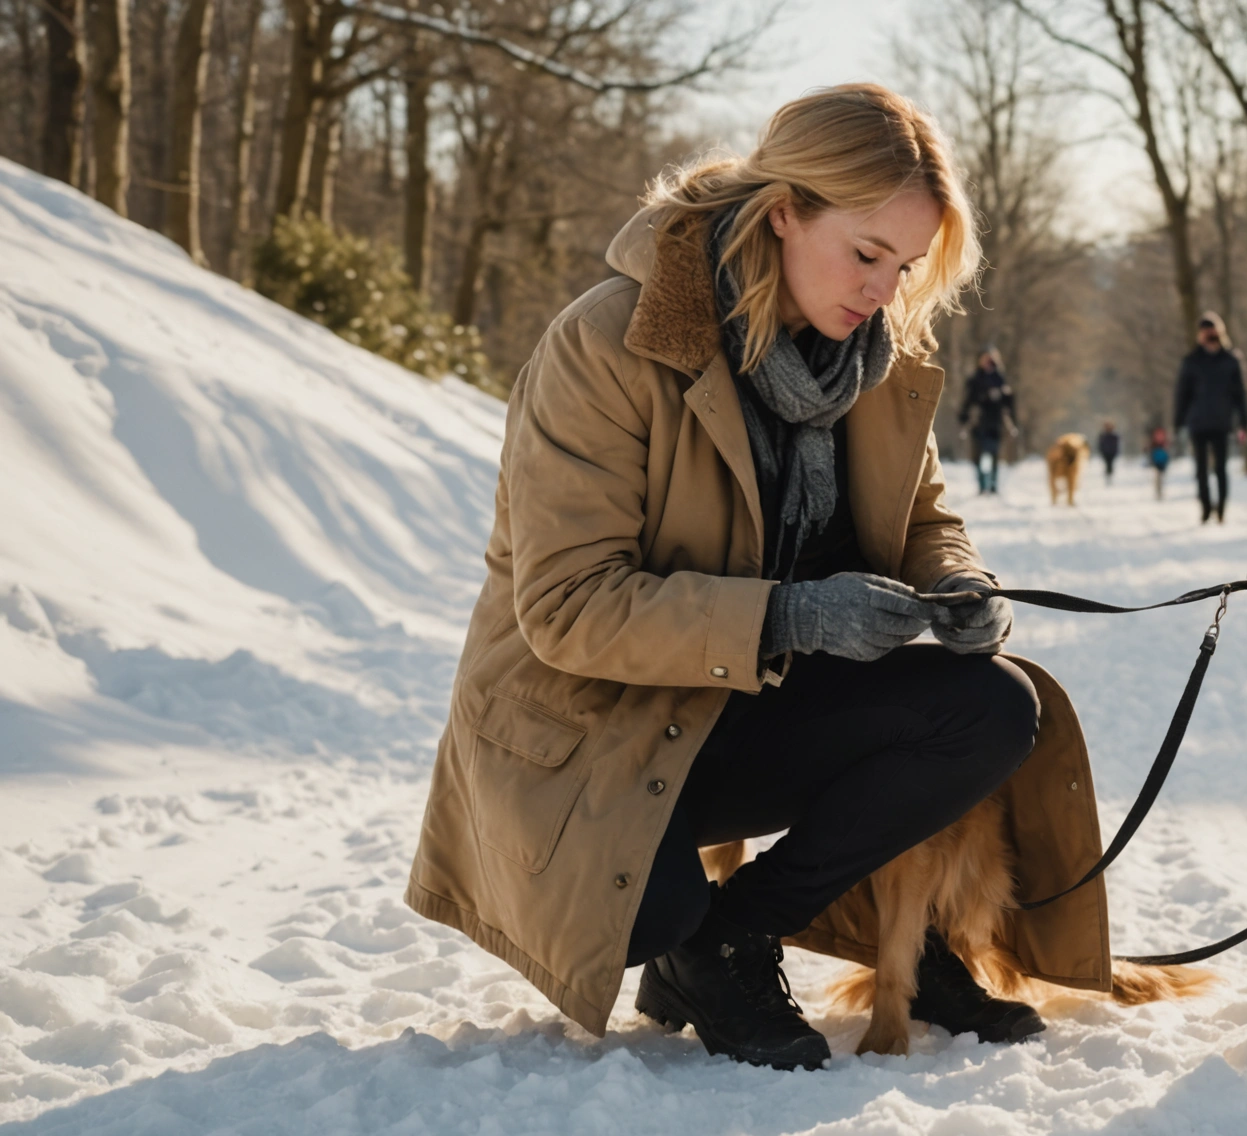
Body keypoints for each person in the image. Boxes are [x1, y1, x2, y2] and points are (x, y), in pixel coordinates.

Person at [403, 85, 1114, 1073]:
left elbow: (922, 519)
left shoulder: (881, 353)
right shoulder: (607, 344)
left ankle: (734, 937)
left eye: (905, 267)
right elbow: (567, 607)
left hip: (744, 713)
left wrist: (958, 581)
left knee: (990, 709)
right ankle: (690, 937)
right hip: (595, 729)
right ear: (784, 210)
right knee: (643, 911)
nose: (883, 289)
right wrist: (795, 614)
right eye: (867, 254)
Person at [1173, 311, 1247, 523]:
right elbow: (1182, 394)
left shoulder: (1232, 360)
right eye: (1205, 332)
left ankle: (1222, 508)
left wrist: (1245, 423)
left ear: (1220, 332)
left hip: (1222, 423)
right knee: (1200, 470)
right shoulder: (1191, 361)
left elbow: (1240, 395)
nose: (1209, 335)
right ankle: (1206, 507)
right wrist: (1178, 423)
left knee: (1220, 469)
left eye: (1213, 331)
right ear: (1200, 335)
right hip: (1197, 424)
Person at [959, 349, 1016, 493]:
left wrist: (1002, 397)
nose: (988, 363)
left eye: (991, 360)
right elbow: (967, 400)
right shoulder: (974, 379)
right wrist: (964, 419)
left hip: (995, 423)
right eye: (986, 360)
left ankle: (993, 484)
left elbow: (1008, 402)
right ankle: (982, 485)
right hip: (978, 422)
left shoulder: (1000, 379)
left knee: (994, 454)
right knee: (977, 456)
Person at [1148, 425, 1171, 500]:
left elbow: (1167, 455)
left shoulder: (1163, 445)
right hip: (1157, 463)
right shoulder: (1155, 445)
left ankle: (1159, 491)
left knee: (1159, 478)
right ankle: (1158, 491)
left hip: (1161, 464)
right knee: (1158, 478)